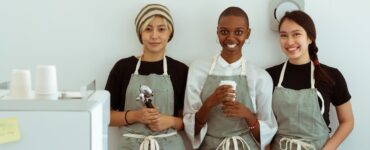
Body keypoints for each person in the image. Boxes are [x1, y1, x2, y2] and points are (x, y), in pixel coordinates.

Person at [183, 6, 277, 150]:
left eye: (238, 32)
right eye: (224, 32)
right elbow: (191, 130)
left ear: (248, 33)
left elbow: (265, 136)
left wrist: (248, 115)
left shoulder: (260, 77)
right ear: (217, 32)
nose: (231, 38)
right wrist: (209, 103)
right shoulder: (197, 69)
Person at [267, 10, 354, 150]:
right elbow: (265, 124)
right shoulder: (269, 76)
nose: (289, 42)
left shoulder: (331, 75)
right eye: (284, 35)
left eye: (296, 34)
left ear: (310, 38)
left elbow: (347, 121)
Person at [105, 3, 188, 150]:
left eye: (161, 29)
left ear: (169, 33)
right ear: (140, 33)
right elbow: (105, 116)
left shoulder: (180, 70)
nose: (154, 35)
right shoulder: (123, 68)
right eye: (148, 29)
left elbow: (189, 120)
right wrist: (136, 116)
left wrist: (169, 121)